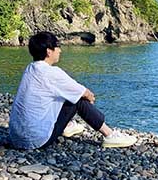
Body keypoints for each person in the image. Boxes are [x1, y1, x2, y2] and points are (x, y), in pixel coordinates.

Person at [8, 31, 137, 150]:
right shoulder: (52, 73)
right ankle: (110, 135)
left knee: (63, 94)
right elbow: (86, 94)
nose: (60, 51)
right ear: (49, 51)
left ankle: (67, 126)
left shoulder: (30, 69)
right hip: (36, 140)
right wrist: (89, 100)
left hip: (16, 138)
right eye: (57, 47)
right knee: (78, 99)